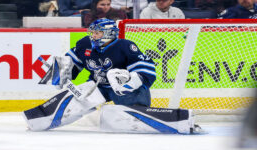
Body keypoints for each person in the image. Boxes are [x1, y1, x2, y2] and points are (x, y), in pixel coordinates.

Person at [23, 18, 202, 134]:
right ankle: (38, 118)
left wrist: (131, 82)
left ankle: (181, 121)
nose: (93, 35)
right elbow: (72, 62)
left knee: (122, 117)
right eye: (92, 32)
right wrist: (60, 73)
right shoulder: (85, 44)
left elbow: (147, 69)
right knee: (78, 96)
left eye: (97, 32)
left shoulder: (125, 46)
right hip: (97, 87)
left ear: (109, 34)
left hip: (125, 91)